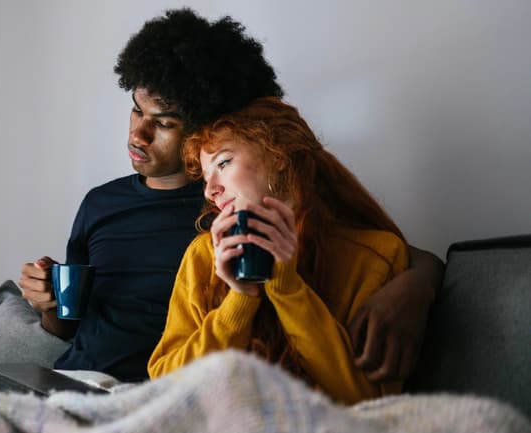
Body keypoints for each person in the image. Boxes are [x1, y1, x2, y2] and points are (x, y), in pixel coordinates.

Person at [19, 8, 443, 384]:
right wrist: (47, 304)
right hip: (71, 377)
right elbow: (69, 325)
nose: (138, 133)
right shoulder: (101, 203)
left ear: (209, 127)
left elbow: (370, 246)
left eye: (164, 122)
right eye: (136, 110)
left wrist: (419, 285)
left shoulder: (233, 216)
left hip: (145, 393)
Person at [148, 97, 408, 404]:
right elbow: (165, 390)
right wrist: (239, 301)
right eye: (206, 177)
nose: (210, 190)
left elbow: (367, 401)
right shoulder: (205, 254)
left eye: (223, 163)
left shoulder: (374, 254)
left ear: (278, 155)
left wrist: (288, 289)